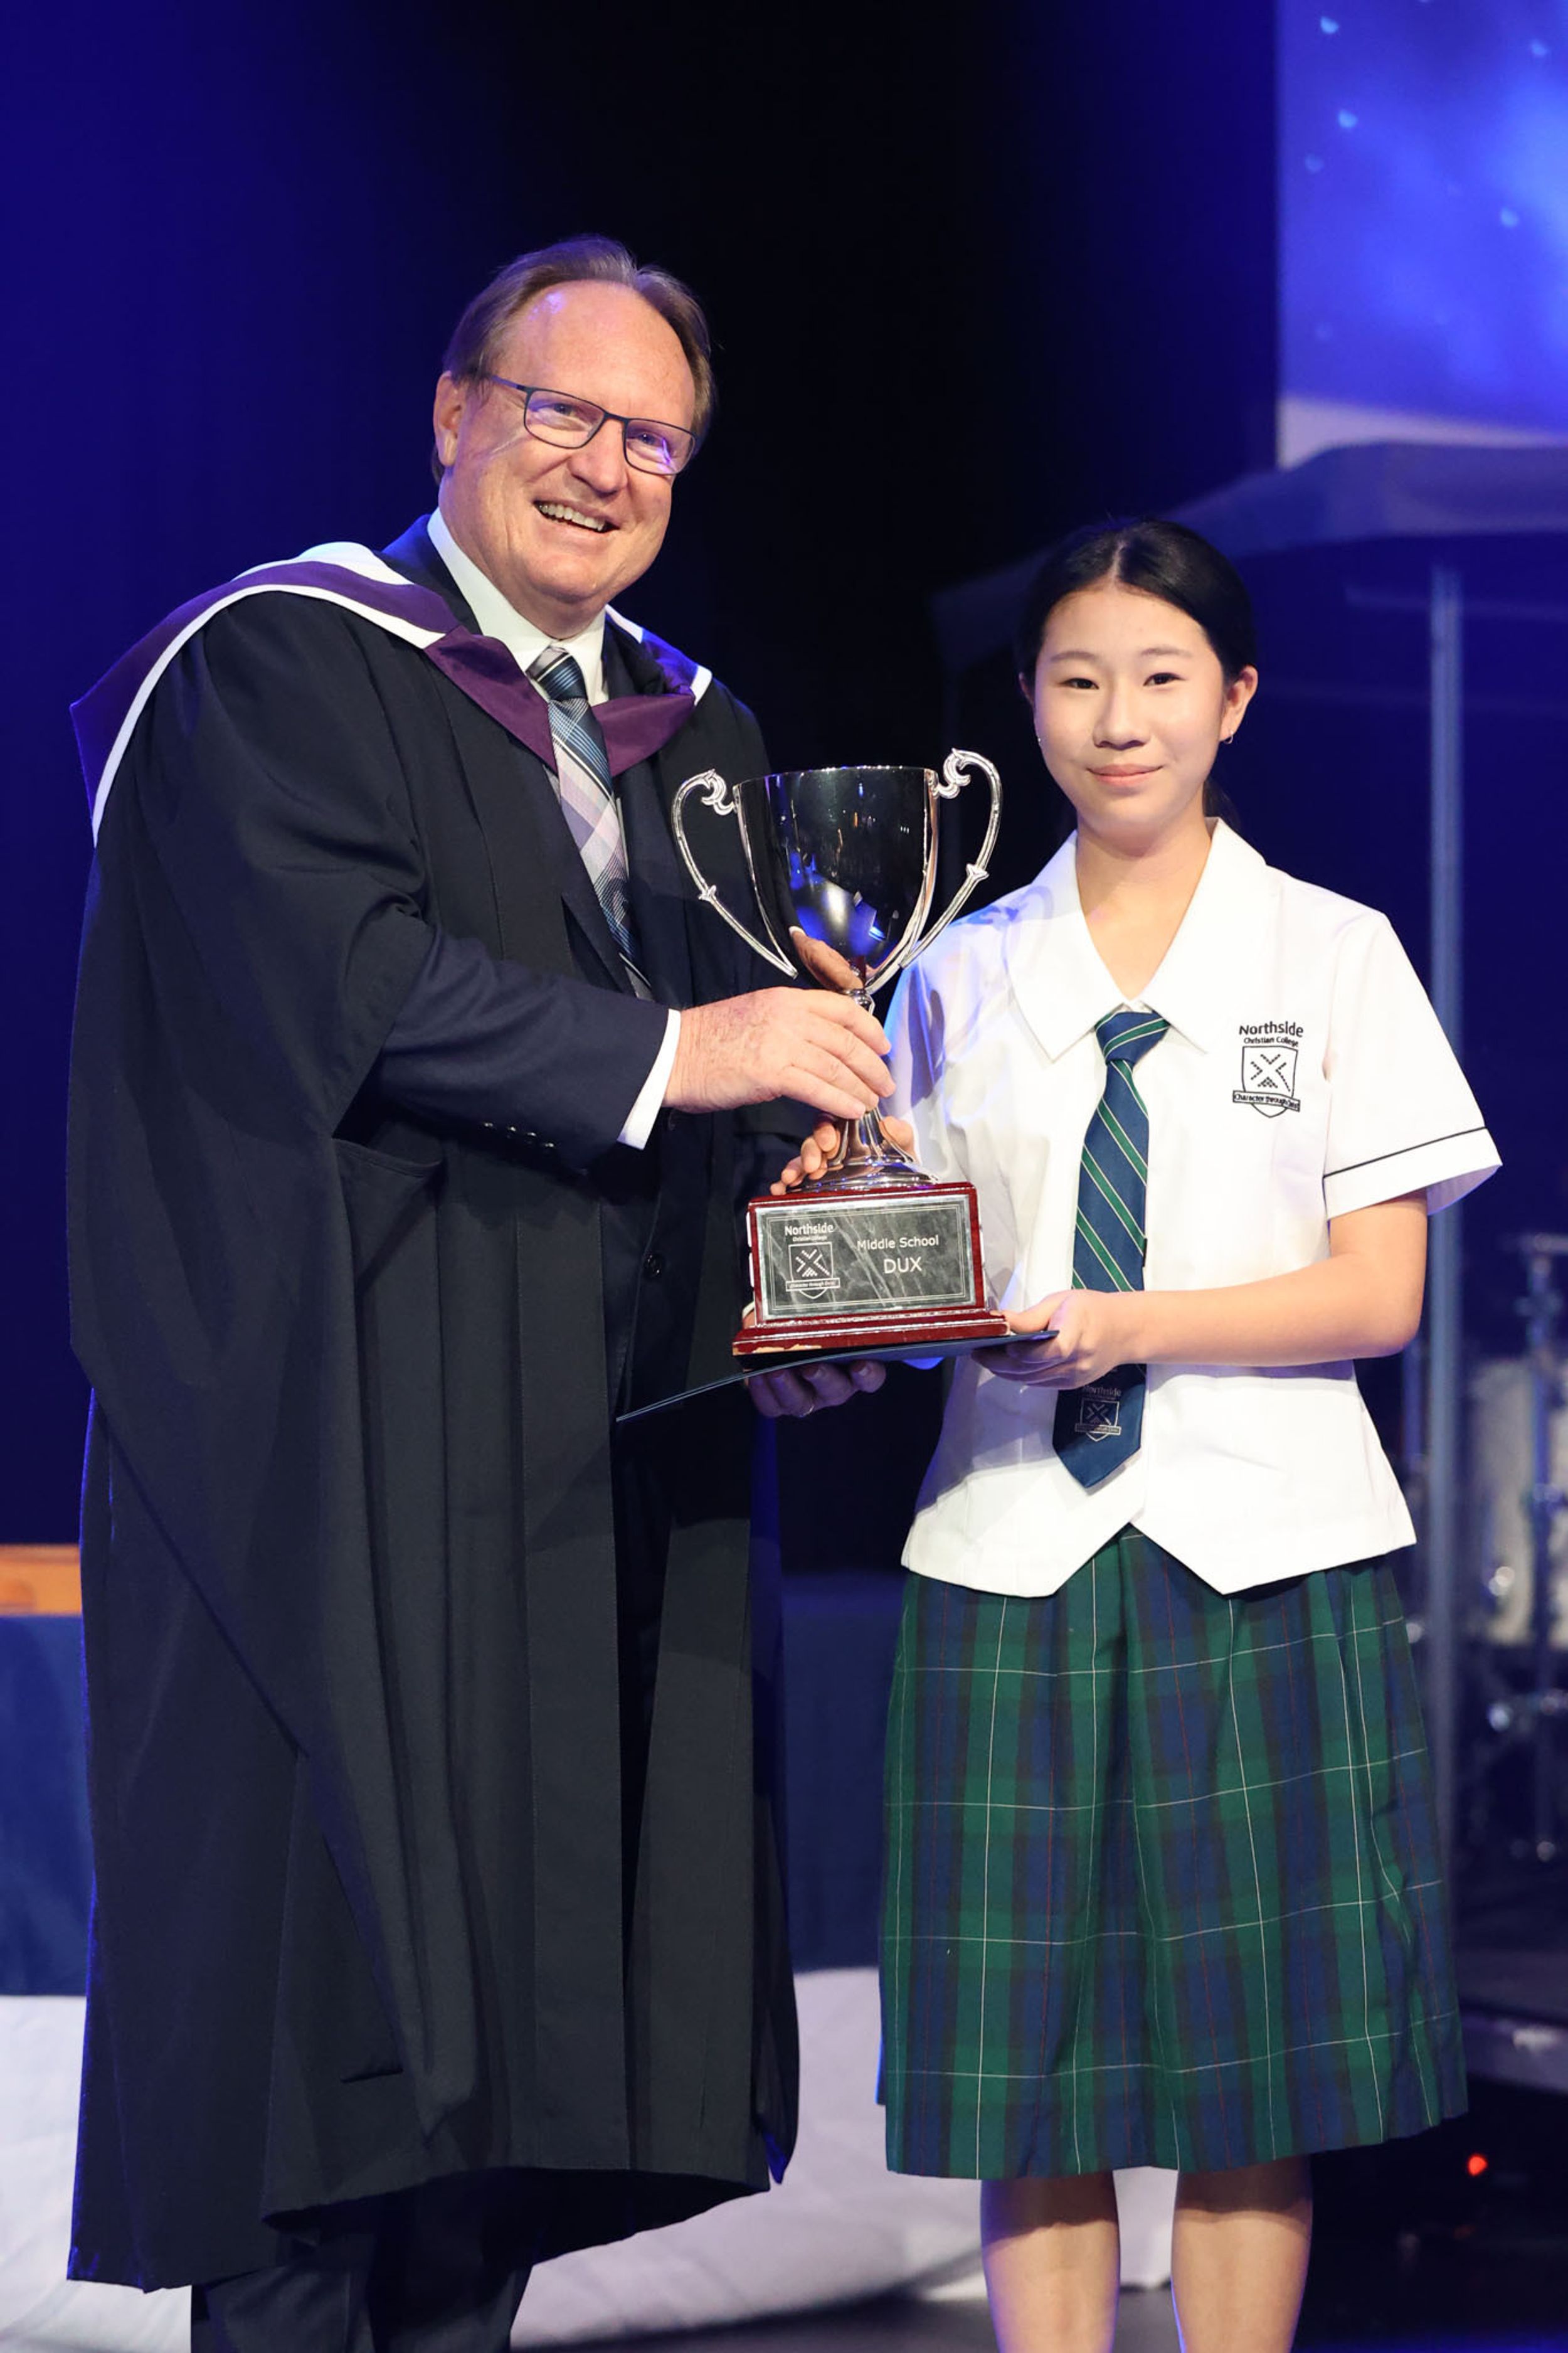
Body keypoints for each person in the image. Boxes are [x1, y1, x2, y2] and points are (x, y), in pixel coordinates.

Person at [65, 235, 889, 2353]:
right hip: (337, 1435)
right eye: (563, 412)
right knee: (325, 2047)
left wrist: (786, 1296)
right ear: (453, 413)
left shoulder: (698, 731)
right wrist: (686, 1053)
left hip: (596, 1472)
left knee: (523, 2070)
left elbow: (731, 1089)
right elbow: (337, 980)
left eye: (655, 440)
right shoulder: (275, 663)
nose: (606, 467)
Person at [781, 518, 1497, 2351]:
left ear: (1232, 700)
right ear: (1026, 702)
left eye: (1161, 678)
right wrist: (829, 1336)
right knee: (1031, 2075)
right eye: (1078, 679)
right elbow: (910, 1266)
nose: (1118, 720)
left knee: (1257, 2075)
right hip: (1008, 1549)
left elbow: (1379, 1297)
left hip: (1265, 1552)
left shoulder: (1331, 953)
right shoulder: (945, 971)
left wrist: (1126, 1323)